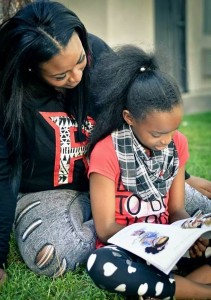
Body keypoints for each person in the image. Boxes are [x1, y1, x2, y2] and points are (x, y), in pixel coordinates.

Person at [86, 45, 211, 299]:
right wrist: (152, 239)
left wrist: (189, 235)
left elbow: (176, 209)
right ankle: (200, 292)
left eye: (172, 130)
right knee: (102, 264)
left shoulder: (178, 144)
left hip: (170, 247)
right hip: (130, 251)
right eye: (157, 134)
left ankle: (165, 286)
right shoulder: (106, 151)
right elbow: (106, 228)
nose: (167, 141)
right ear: (129, 118)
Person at [0, 0, 112, 283]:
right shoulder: (11, 92)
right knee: (53, 254)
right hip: (46, 195)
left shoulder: (98, 54)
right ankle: (136, 226)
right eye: (61, 75)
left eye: (80, 61)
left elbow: (136, 117)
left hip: (110, 181)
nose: (77, 76)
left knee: (199, 208)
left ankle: (124, 225)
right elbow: (4, 173)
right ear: (31, 69)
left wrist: (180, 179)